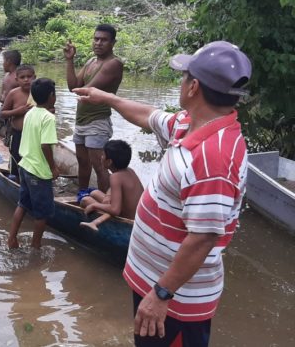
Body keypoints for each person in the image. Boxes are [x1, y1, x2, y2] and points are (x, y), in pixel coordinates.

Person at [74, 41, 252, 346]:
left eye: (184, 77)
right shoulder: (189, 124)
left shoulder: (214, 158)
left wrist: (161, 294)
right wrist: (107, 97)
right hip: (155, 282)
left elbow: (204, 237)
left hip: (175, 300)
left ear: (193, 87)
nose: (181, 83)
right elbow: (149, 115)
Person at [63, 24, 124, 200]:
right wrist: (69, 60)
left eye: (103, 40)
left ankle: (105, 201)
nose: (98, 43)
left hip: (98, 121)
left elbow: (84, 90)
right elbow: (73, 86)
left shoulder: (113, 64)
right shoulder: (91, 61)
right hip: (81, 120)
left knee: (99, 165)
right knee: (83, 162)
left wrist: (79, 88)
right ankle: (82, 195)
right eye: (96, 39)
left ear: (113, 42)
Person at [7, 78, 59, 249]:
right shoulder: (48, 118)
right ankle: (36, 247)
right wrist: (53, 167)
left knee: (22, 204)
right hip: (38, 171)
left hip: (25, 166)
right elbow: (45, 145)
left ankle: (12, 238)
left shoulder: (30, 113)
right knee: (42, 214)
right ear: (52, 96)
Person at [79, 140, 143, 229]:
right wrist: (108, 196)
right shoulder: (130, 170)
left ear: (109, 162)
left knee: (85, 200)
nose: (101, 157)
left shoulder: (115, 177)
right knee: (94, 193)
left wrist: (94, 205)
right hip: (138, 215)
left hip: (127, 218)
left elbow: (115, 210)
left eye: (103, 155)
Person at [0, 65, 35, 179]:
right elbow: (3, 113)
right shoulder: (13, 94)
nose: (26, 79)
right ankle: (16, 180)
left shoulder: (38, 92)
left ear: (34, 77)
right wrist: (18, 111)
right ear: (17, 80)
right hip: (18, 134)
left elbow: (51, 109)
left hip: (34, 135)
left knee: (33, 160)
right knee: (16, 159)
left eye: (29, 77)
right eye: (22, 77)